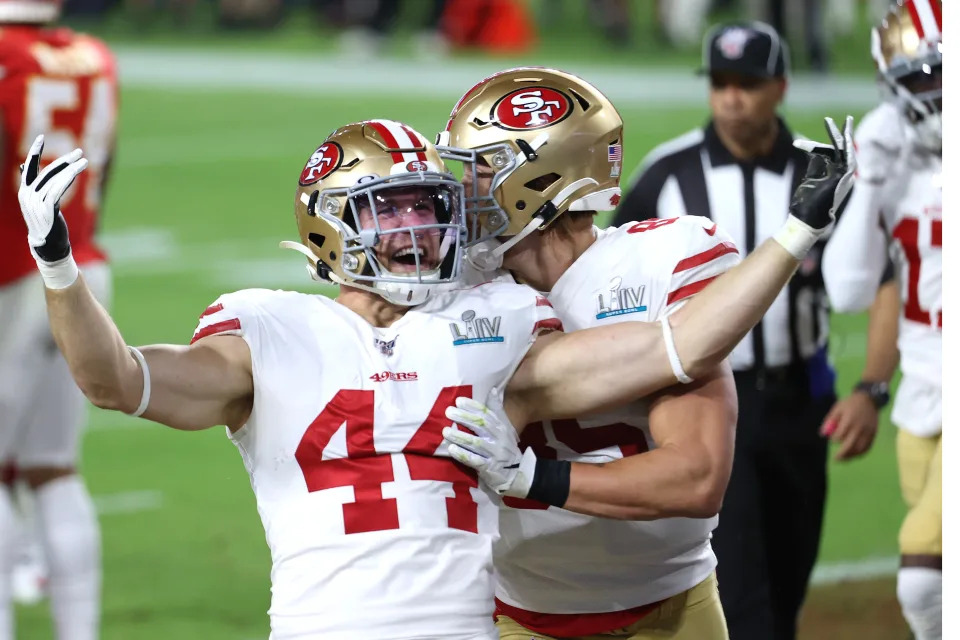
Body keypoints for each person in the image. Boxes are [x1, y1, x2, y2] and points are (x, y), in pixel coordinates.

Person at [16, 111, 848, 638]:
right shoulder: (267, 329)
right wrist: (58, 265)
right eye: (392, 211)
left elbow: (674, 346)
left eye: (428, 207)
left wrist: (795, 234)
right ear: (330, 227)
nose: (418, 231)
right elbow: (114, 381)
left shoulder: (492, 325)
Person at [435, 66, 853, 640]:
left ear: (543, 178)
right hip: (523, 613)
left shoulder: (664, 260)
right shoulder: (453, 288)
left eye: (481, 170)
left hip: (671, 606)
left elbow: (696, 478)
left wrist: (534, 477)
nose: (461, 190)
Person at [608, 23, 898, 640]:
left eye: (748, 84)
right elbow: (604, 279)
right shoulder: (669, 173)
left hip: (800, 401)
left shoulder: (820, 172)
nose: (732, 97)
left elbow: (881, 278)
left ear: (781, 87)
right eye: (721, 83)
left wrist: (871, 387)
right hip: (706, 402)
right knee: (742, 595)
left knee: (790, 581)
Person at [822, 2, 942, 638]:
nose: (932, 96)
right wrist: (867, 183)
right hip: (921, 395)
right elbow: (848, 291)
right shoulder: (900, 155)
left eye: (941, 77)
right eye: (917, 81)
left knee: (924, 580)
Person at [0, 1, 118, 638]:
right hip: (80, 263)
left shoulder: (6, 57)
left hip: (8, 274)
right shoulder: (94, 55)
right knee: (53, 466)